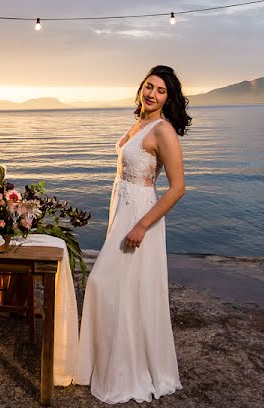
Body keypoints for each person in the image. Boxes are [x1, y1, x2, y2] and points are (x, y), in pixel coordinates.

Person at [75, 65, 192, 403]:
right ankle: (105, 364)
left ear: (168, 99)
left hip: (140, 215)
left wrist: (142, 225)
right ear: (141, 88)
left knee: (105, 284)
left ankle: (125, 373)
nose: (152, 93)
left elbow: (178, 188)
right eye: (148, 86)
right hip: (122, 209)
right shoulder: (139, 123)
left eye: (160, 90)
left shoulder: (163, 131)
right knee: (121, 289)